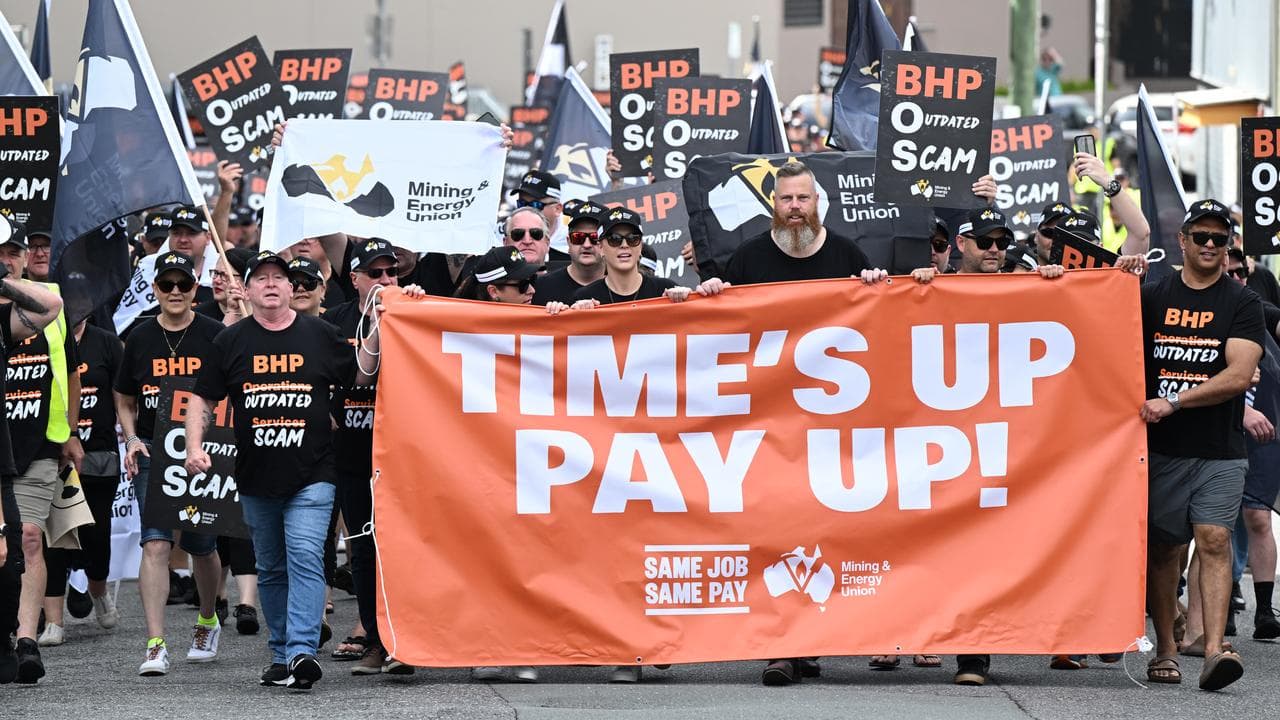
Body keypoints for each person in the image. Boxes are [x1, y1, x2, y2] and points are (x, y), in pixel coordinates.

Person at [694, 160, 887, 687]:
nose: (795, 208)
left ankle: (809, 641)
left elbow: (882, 323)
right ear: (773, 204)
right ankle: (782, 648)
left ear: (817, 202)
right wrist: (713, 296)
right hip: (768, 422)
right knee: (774, 530)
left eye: (803, 198)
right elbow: (721, 330)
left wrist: (874, 285)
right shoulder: (749, 258)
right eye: (786, 200)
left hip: (833, 424)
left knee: (824, 530)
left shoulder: (847, 254)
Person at [185, 251, 403, 690]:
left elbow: (360, 375)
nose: (271, 284)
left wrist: (379, 326)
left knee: (304, 554)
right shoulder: (230, 341)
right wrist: (193, 446)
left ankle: (302, 650)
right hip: (256, 476)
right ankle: (282, 652)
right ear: (247, 291)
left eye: (279, 279)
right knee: (271, 567)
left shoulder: (321, 334)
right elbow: (201, 399)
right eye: (260, 278)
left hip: (315, 473)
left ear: (291, 290)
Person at [907, 206, 1067, 686]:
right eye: (985, 241)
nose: (996, 250)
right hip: (942, 441)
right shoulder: (928, 289)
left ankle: (975, 654)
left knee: (990, 549)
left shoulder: (1028, 286)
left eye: (1001, 241)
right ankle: (925, 637)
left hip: (1002, 442)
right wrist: (908, 289)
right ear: (962, 245)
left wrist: (1059, 283)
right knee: (940, 548)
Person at [1134, 199, 1262, 691]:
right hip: (1161, 448)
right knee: (1166, 550)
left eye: (1220, 238)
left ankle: (1213, 650)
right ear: (1182, 241)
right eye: (1201, 236)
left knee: (1214, 539)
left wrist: (1176, 400)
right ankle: (1166, 648)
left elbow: (1237, 374)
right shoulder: (1153, 294)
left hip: (1219, 448)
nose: (1210, 245)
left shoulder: (1241, 301)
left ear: (1229, 246)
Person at [114, 251, 226, 677]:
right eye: (167, 285)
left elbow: (229, 391)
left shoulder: (215, 334)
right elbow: (123, 396)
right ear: (156, 289)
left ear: (196, 289)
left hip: (204, 455)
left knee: (201, 545)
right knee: (156, 543)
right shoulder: (139, 337)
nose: (176, 292)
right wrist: (133, 438)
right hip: (153, 454)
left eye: (184, 284)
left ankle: (207, 618)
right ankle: (155, 643)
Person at [320, 239, 410, 676]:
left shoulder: (415, 312)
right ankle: (375, 641)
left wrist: (407, 309)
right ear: (353, 279)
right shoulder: (334, 321)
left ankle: (404, 643)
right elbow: (346, 374)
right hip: (352, 456)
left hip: (404, 458)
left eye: (391, 273)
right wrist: (376, 325)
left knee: (403, 550)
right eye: (375, 274)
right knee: (362, 553)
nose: (385, 281)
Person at [2, 217, 82, 684]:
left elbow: (69, 371)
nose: (8, 259)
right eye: (2, 252)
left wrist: (70, 432)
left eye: (14, 252)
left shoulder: (41, 298)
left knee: (30, 536)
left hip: (35, 443)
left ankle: (26, 638)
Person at [39, 319, 124, 646]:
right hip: (52, 453)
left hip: (98, 454)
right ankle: (54, 621)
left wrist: (130, 440)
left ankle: (98, 590)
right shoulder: (41, 336)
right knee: (55, 536)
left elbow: (122, 397)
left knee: (96, 535)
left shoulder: (105, 341)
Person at [1225, 248, 1280, 641]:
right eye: (1231, 272)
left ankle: (1264, 611)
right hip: (1219, 431)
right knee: (1217, 525)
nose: (1238, 278)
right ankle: (1220, 605)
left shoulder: (1263, 314)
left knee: (1258, 517)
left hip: (1264, 436)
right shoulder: (1207, 315)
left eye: (1243, 272)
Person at [572, 208, 688, 307]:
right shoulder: (584, 297)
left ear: (640, 246)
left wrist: (688, 299)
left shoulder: (665, 289)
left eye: (633, 238)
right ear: (601, 247)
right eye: (614, 239)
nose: (624, 245)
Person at [532, 201, 608, 305]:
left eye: (595, 238)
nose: (586, 245)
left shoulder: (623, 287)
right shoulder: (541, 287)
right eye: (578, 237)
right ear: (568, 242)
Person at [1072, 153, 1150, 255]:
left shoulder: (1135, 194)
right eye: (1074, 242)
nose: (1080, 249)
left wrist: (1108, 182)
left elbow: (1141, 234)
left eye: (1087, 242)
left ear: (1099, 246)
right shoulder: (1104, 217)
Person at [509, 170, 569, 261]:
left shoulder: (576, 238)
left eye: (535, 205)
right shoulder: (503, 232)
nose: (527, 210)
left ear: (557, 209)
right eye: (522, 204)